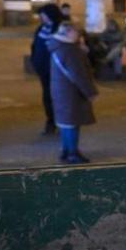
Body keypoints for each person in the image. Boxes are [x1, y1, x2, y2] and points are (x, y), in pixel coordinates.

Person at [47, 22, 98, 164]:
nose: (79, 35)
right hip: (71, 93)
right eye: (77, 32)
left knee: (65, 123)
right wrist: (90, 92)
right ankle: (72, 153)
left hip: (61, 90)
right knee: (72, 123)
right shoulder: (69, 50)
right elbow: (78, 74)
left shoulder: (59, 46)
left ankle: (66, 150)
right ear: (68, 32)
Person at [30, 3, 63, 134]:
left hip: (57, 68)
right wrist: (34, 60)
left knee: (59, 95)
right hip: (43, 68)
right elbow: (34, 45)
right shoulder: (41, 29)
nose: (41, 18)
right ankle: (51, 121)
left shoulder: (60, 28)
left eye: (43, 15)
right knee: (47, 95)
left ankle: (63, 121)